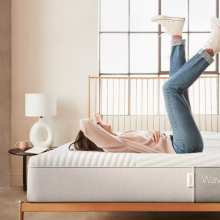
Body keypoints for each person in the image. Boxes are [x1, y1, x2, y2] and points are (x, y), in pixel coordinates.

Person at [69, 15, 219, 154]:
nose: (99, 124)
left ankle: (176, 37)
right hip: (184, 147)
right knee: (169, 88)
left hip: (178, 140)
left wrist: (157, 135)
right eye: (98, 128)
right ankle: (211, 47)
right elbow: (85, 124)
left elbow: (150, 144)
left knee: (176, 83)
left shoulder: (123, 135)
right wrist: (95, 121)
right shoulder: (115, 145)